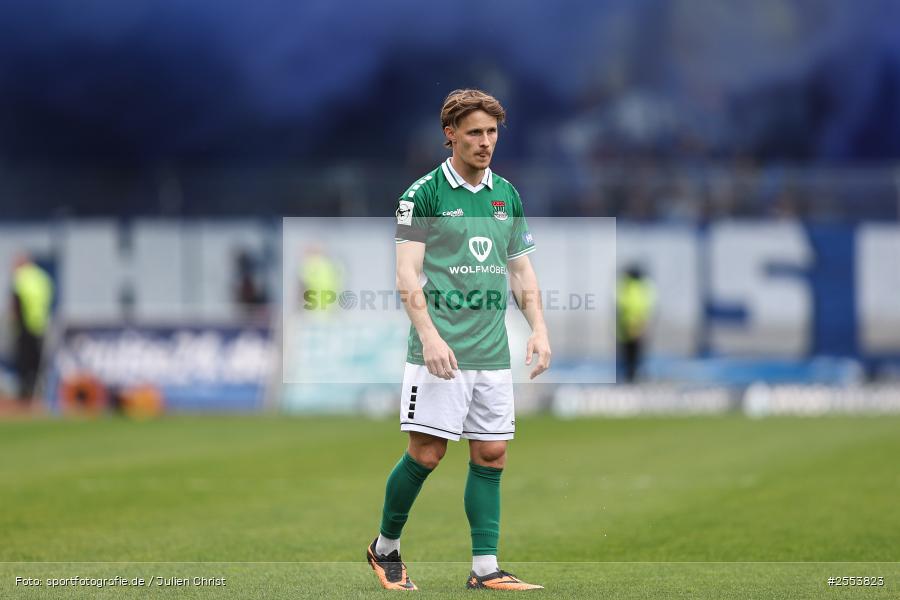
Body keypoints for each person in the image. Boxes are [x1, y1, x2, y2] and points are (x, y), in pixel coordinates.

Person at [367, 89, 550, 591]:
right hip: (440, 350)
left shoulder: (506, 195)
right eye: (474, 133)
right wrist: (428, 336)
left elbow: (521, 271)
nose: (485, 142)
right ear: (450, 135)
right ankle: (385, 548)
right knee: (427, 453)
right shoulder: (422, 195)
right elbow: (406, 275)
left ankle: (486, 569)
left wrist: (539, 327)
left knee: (491, 453)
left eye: (492, 132)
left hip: (491, 351)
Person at [10, 253, 54, 402]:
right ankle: (39, 391)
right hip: (41, 324)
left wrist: (14, 321)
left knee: (23, 361)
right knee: (38, 361)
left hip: (25, 324)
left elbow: (16, 302)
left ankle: (25, 393)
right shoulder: (43, 277)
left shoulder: (21, 277)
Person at [616, 265, 654, 382]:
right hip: (633, 324)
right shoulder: (643, 287)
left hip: (629, 325)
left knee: (630, 353)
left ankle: (631, 376)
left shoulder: (627, 287)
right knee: (634, 352)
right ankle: (632, 376)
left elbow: (624, 305)